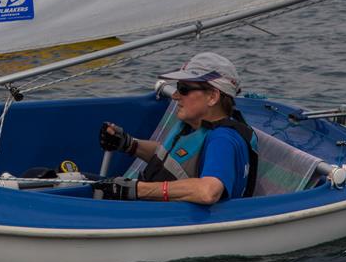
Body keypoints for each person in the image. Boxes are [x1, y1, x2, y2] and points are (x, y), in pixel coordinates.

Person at [94, 52, 258, 204]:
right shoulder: (196, 127)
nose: (175, 95)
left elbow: (208, 191)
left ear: (212, 97)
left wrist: (138, 189)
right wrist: (128, 144)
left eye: (184, 89)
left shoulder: (222, 140)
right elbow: (171, 158)